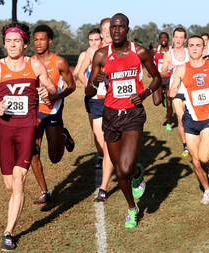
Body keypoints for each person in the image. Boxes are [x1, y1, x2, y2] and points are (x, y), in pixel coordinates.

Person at [0, 22, 57, 251]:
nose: (12, 45)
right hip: (4, 131)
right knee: (9, 184)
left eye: (17, 41)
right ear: (4, 44)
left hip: (27, 129)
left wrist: (46, 91)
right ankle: (14, 209)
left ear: (24, 43)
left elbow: (52, 89)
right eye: (8, 41)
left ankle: (8, 232)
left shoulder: (35, 65)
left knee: (18, 180)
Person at [86, 13, 161, 227]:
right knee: (119, 170)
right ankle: (132, 207)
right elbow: (89, 92)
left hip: (133, 113)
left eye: (121, 27)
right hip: (110, 115)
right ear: (108, 31)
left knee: (126, 168)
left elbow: (156, 78)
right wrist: (96, 81)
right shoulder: (101, 55)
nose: (116, 31)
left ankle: (136, 172)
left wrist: (145, 94)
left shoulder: (140, 52)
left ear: (127, 29)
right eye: (113, 27)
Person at [169, 35, 209, 204]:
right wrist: (172, 92)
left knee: (203, 157)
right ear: (188, 48)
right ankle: (207, 190)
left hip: (208, 119)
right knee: (195, 160)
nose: (194, 48)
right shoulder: (181, 69)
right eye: (191, 45)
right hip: (190, 120)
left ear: (204, 49)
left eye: (198, 45)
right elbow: (174, 88)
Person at [30, 25, 76, 206]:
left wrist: (57, 96)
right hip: (34, 112)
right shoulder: (29, 62)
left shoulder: (59, 62)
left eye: (42, 39)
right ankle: (45, 191)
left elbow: (72, 86)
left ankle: (63, 135)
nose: (38, 43)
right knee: (33, 152)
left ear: (49, 41)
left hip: (53, 111)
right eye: (35, 39)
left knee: (55, 158)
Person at [78, 18, 114, 202]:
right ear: (101, 33)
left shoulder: (122, 50)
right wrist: (89, 85)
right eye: (105, 30)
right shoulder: (93, 51)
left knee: (110, 144)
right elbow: (80, 72)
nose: (108, 32)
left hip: (117, 102)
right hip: (97, 99)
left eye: (111, 29)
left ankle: (103, 187)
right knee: (102, 140)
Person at [72, 28, 102, 170]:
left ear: (101, 39)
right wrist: (85, 82)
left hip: (105, 96)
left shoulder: (105, 52)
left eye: (96, 39)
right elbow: (77, 72)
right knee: (96, 131)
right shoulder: (85, 54)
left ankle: (106, 156)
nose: (94, 42)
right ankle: (101, 156)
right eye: (91, 40)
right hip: (91, 96)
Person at [161, 27, 190, 156]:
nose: (178, 39)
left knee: (191, 117)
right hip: (176, 89)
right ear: (173, 38)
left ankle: (192, 139)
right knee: (181, 117)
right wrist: (166, 69)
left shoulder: (190, 53)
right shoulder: (168, 54)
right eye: (176, 37)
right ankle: (185, 145)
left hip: (190, 89)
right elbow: (161, 74)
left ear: (185, 39)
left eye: (181, 37)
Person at [150, 32, 173, 132]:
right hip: (158, 79)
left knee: (169, 104)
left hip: (169, 78)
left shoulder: (172, 50)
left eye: (165, 37)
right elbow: (149, 60)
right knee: (156, 102)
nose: (163, 39)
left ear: (168, 39)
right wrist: (151, 71)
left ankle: (168, 124)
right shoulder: (155, 50)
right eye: (161, 38)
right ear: (159, 40)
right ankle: (162, 97)